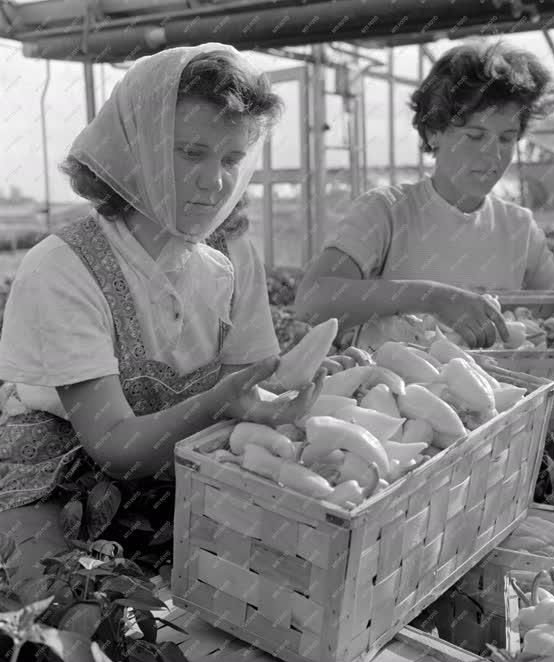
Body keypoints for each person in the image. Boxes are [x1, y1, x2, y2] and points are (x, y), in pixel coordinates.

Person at [0, 43, 328, 580]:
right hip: (55, 477)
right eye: (190, 152)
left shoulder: (231, 260)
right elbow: (115, 447)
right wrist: (222, 403)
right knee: (69, 605)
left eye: (231, 159)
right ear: (135, 149)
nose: (214, 180)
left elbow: (245, 389)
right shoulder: (63, 267)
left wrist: (279, 399)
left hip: (180, 468)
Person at [295, 41, 554, 353]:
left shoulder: (517, 227)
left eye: (506, 139)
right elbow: (313, 301)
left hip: (498, 407)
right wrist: (434, 298)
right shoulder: (386, 212)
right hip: (392, 402)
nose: (493, 155)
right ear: (433, 132)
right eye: (475, 136)